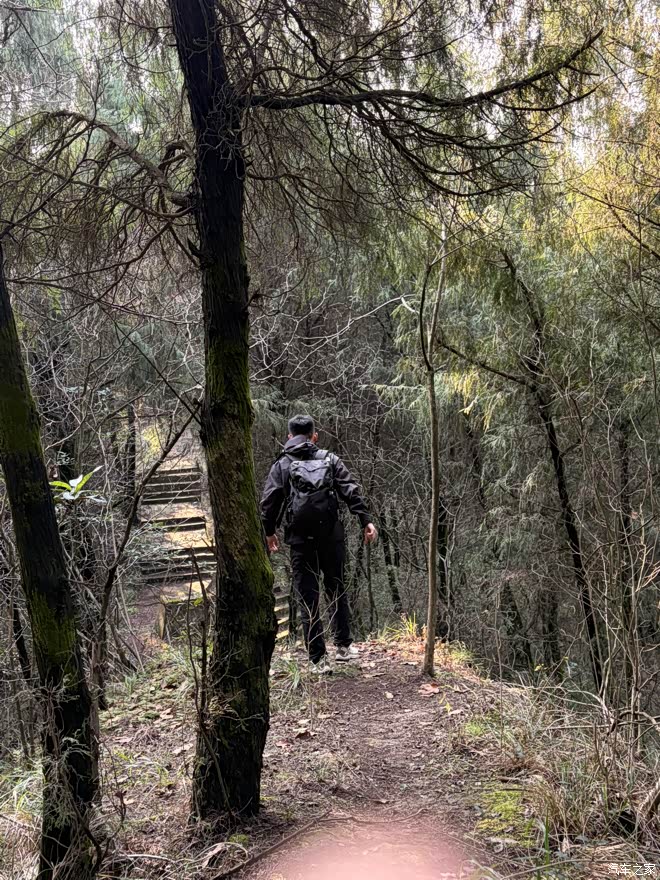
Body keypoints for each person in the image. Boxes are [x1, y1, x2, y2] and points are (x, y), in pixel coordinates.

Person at [261, 414, 378, 674]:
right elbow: (350, 490)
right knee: (336, 588)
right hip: (331, 536)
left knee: (308, 596)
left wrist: (269, 532)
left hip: (300, 540)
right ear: (314, 436)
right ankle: (343, 647)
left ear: (289, 437)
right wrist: (365, 520)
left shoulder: (282, 464)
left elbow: (269, 503)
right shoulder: (330, 459)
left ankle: (318, 660)